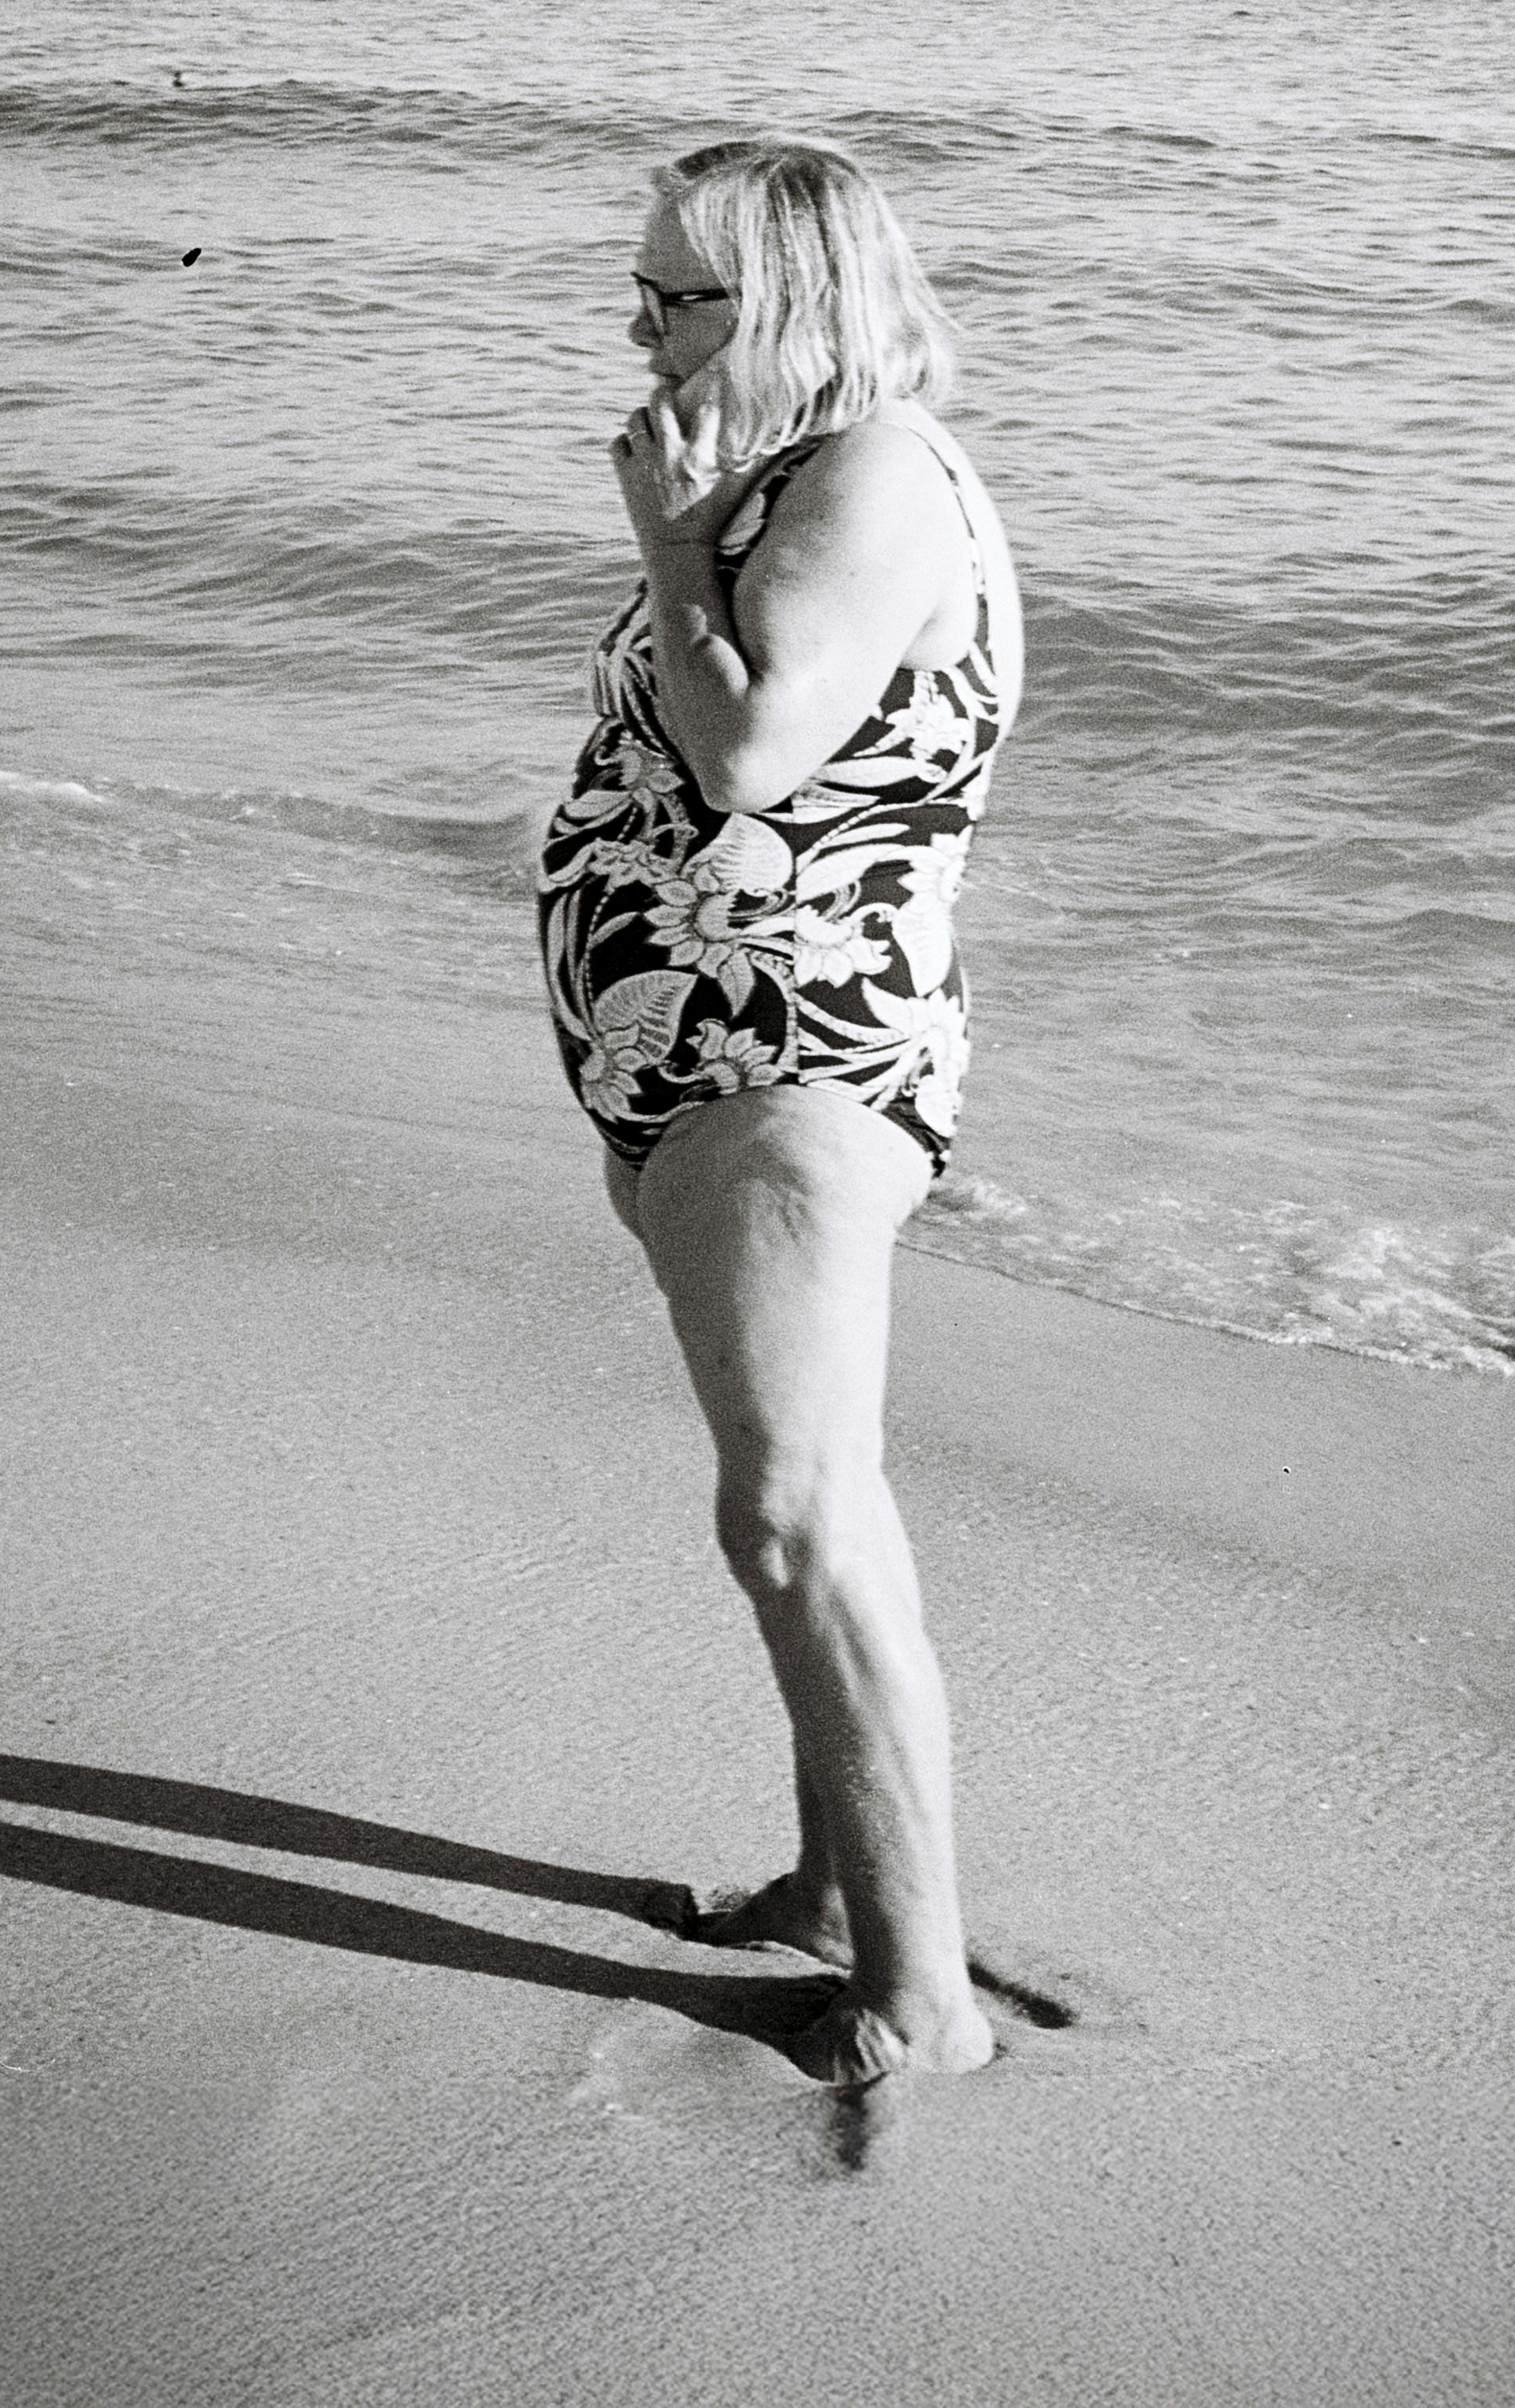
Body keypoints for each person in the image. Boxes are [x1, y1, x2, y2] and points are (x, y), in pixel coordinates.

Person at [538, 134, 1024, 2086]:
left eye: (680, 294)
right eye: (642, 288)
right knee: (801, 1500)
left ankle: (926, 1994)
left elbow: (748, 750)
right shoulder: (789, 471)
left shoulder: (879, 475)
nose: (640, 324)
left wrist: (667, 546)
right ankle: (834, 1887)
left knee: (797, 1508)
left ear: (796, 300)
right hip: (708, 1051)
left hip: (797, 1052)